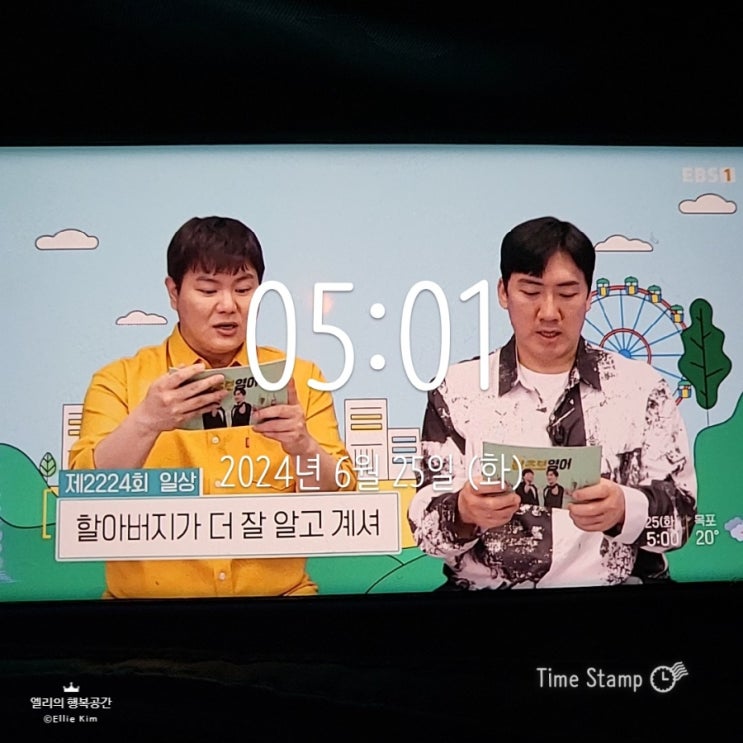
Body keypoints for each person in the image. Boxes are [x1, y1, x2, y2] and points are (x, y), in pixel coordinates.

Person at [69, 216, 357, 598]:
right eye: (207, 290)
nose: (228, 306)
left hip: (283, 602)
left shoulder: (299, 378)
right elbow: (83, 501)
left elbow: (340, 498)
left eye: (244, 289)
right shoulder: (119, 380)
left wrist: (302, 446)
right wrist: (146, 422)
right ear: (173, 293)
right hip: (143, 613)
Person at [408, 216, 697, 589]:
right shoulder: (458, 389)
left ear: (589, 296)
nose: (549, 312)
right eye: (530, 291)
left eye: (567, 293)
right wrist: (463, 511)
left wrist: (625, 509)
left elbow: (681, 520)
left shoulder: (641, 389)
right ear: (503, 292)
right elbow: (425, 531)